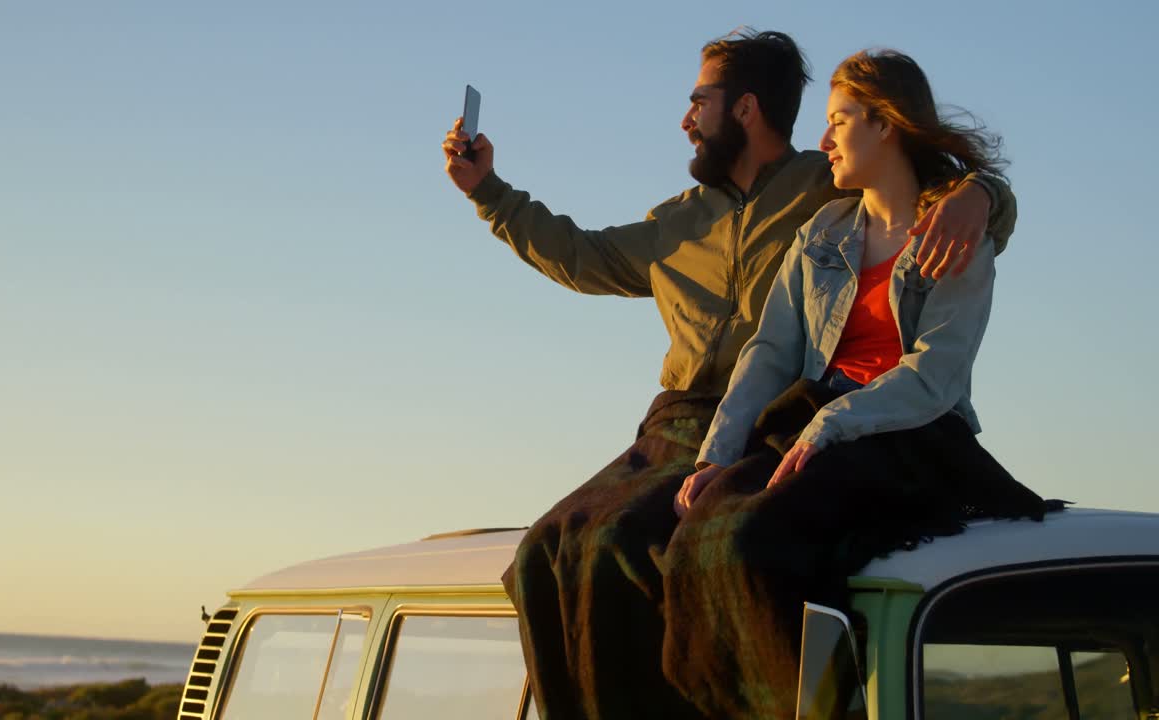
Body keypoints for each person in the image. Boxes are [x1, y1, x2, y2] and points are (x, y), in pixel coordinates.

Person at [441, 30, 1016, 720]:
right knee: (543, 553)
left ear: (744, 110)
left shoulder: (820, 188)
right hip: (691, 418)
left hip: (795, 415)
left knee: (654, 542)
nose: (686, 120)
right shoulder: (688, 223)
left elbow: (946, 215)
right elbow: (582, 255)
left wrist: (979, 191)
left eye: (699, 102)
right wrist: (491, 194)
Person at [663, 49, 1051, 719]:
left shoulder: (956, 232)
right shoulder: (824, 230)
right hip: (819, 422)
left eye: (839, 120)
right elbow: (770, 352)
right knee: (694, 526)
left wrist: (831, 424)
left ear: (886, 125)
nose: (823, 141)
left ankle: (821, 709)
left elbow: (936, 374)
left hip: (911, 435)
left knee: (758, 538)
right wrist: (716, 454)